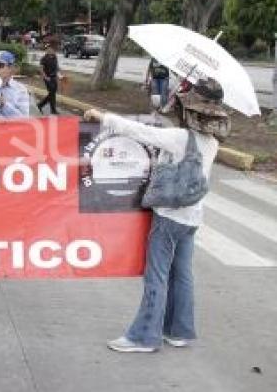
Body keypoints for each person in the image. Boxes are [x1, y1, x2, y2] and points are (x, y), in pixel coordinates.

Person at [83, 77, 229, 353]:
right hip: (192, 217)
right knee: (182, 274)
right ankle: (179, 331)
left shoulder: (180, 138)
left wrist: (102, 116)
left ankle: (144, 336)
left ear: (189, 110)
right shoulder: (211, 142)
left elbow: (138, 131)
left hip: (169, 217)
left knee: (156, 276)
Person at [37, 42, 60, 115]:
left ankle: (40, 105)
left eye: (51, 49)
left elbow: (57, 67)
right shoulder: (44, 58)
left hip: (54, 77)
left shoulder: (55, 57)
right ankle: (53, 110)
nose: (50, 50)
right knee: (52, 93)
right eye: (48, 49)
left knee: (52, 93)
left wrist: (59, 75)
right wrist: (45, 77)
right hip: (48, 78)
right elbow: (41, 69)